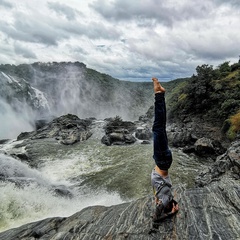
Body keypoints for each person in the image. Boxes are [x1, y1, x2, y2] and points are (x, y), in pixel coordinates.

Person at [151, 77, 179, 224]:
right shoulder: (166, 198)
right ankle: (159, 94)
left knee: (159, 127)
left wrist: (172, 206)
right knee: (158, 127)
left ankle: (160, 94)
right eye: (161, 206)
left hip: (162, 160)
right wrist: (172, 213)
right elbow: (156, 219)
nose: (158, 205)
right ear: (165, 205)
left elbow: (157, 215)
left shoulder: (166, 197)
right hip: (162, 160)